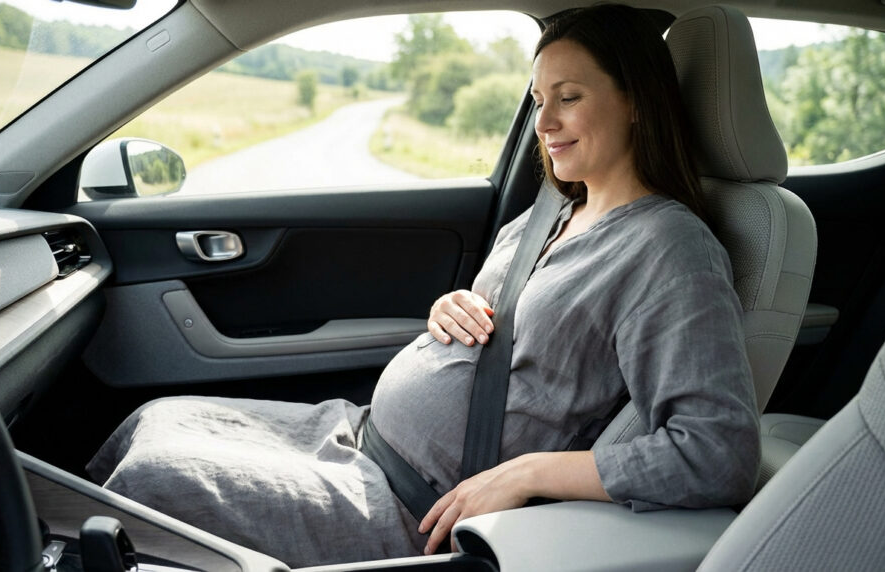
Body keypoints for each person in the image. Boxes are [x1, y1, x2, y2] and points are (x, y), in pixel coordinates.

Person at [87, 4, 760, 567]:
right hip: (354, 436)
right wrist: (449, 309)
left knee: (154, 480)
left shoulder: (668, 249)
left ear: (636, 100)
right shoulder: (559, 208)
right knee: (155, 420)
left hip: (413, 507)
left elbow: (715, 451)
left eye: (569, 98)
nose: (544, 124)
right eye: (537, 100)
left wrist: (526, 475)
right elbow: (511, 337)